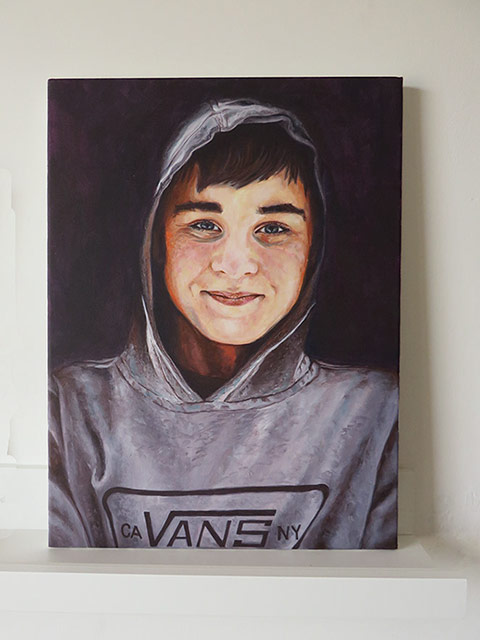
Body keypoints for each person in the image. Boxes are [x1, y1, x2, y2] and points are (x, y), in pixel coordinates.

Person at [49, 99, 398, 549]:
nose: (236, 265)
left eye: (273, 228)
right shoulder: (70, 411)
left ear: (312, 248)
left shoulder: (375, 415)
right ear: (158, 243)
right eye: (204, 225)